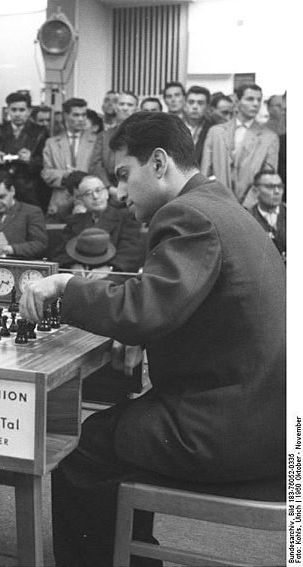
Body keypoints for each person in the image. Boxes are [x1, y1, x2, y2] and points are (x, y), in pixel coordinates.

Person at [20, 111, 285, 567]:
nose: (120, 193)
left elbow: (144, 309)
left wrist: (66, 286)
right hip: (265, 416)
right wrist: (143, 334)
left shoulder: (189, 214)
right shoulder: (221, 205)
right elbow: (187, 304)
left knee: (82, 448)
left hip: (229, 429)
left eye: (124, 175)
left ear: (159, 163)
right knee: (113, 431)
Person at [201, 83, 279, 209]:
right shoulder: (215, 132)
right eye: (250, 99)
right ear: (237, 101)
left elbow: (267, 179)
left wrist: (246, 207)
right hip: (217, 205)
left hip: (251, 207)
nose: (256, 104)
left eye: (259, 100)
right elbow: (205, 173)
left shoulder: (269, 138)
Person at [50, 174, 145, 274]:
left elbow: (131, 250)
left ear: (107, 193)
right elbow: (62, 251)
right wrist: (73, 266)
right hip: (81, 274)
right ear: (81, 200)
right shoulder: (74, 221)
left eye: (99, 190)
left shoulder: (126, 218)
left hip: (114, 273)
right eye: (88, 193)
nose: (95, 196)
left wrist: (109, 268)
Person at [0, 91, 50, 210]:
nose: (17, 114)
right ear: (7, 110)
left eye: (21, 110)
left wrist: (31, 159)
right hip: (0, 184)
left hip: (30, 187)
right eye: (14, 110)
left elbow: (47, 160)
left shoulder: (40, 132)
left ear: (29, 111)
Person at [41, 98, 98, 221]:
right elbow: (46, 173)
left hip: (88, 201)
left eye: (83, 115)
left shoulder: (96, 141)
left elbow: (99, 170)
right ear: (65, 116)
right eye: (76, 115)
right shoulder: (52, 143)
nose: (81, 119)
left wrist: (81, 178)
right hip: (59, 202)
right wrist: (67, 175)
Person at [89, 92, 138, 197]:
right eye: (121, 104)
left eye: (130, 105)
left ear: (136, 109)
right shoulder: (103, 136)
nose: (125, 108)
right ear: (115, 107)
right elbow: (96, 165)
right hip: (109, 192)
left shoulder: (145, 135)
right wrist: (109, 188)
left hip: (138, 192)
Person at [249, 168, 286, 259]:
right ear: (255, 191)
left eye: (280, 186)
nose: (277, 191)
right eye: (270, 187)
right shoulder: (248, 218)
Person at [182, 85, 216, 165]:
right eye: (191, 102)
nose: (195, 107)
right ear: (185, 104)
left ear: (207, 107)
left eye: (200, 103)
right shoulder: (174, 127)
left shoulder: (213, 129)